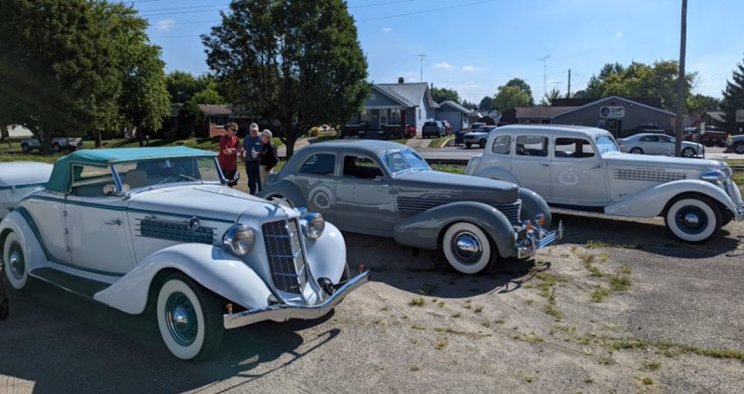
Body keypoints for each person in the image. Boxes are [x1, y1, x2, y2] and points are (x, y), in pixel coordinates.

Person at [218, 122, 242, 187]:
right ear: (228, 129)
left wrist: (232, 150)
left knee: (231, 185)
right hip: (224, 166)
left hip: (233, 166)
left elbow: (240, 148)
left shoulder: (236, 139)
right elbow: (226, 152)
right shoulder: (223, 139)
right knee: (224, 185)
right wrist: (235, 150)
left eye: (236, 130)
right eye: (234, 130)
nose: (235, 132)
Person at [243, 123, 263, 195]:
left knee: (260, 181)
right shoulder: (247, 138)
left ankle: (261, 194)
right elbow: (244, 148)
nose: (254, 132)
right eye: (252, 131)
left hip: (259, 163)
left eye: (255, 131)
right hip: (249, 163)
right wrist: (244, 153)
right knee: (251, 181)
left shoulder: (261, 138)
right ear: (250, 131)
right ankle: (252, 194)